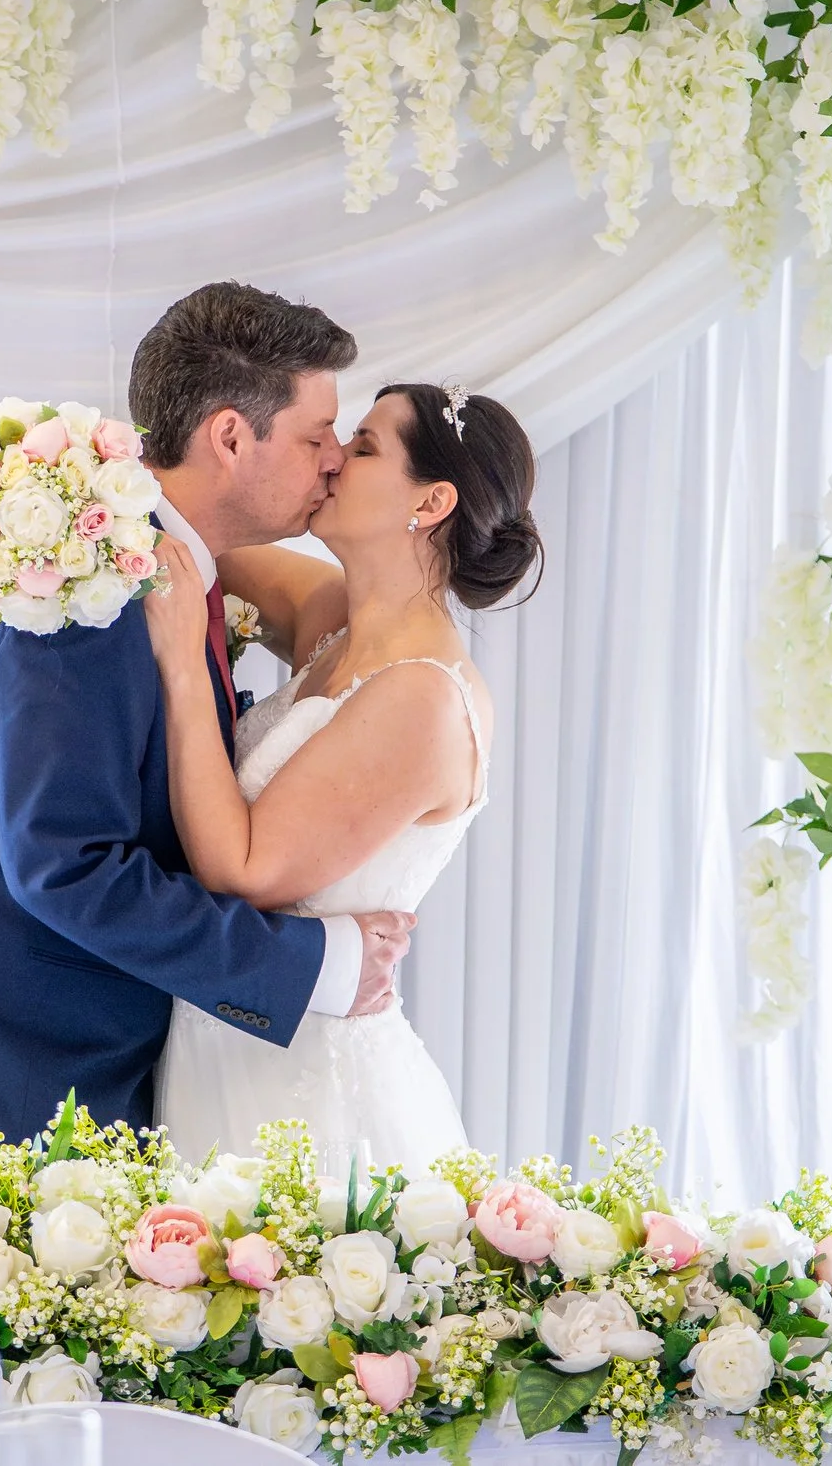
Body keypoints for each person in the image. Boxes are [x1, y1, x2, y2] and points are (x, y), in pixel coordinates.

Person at [0, 283, 396, 1170]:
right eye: (317, 435)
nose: (331, 461)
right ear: (232, 436)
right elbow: (65, 865)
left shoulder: (168, 569)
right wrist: (312, 964)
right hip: (0, 1075)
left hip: (62, 1062)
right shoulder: (87, 595)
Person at [147, 382, 541, 1169]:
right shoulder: (335, 620)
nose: (331, 460)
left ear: (429, 502)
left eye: (361, 447)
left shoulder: (424, 698)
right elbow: (197, 521)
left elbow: (244, 868)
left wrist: (184, 666)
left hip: (305, 1085)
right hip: (220, 1040)